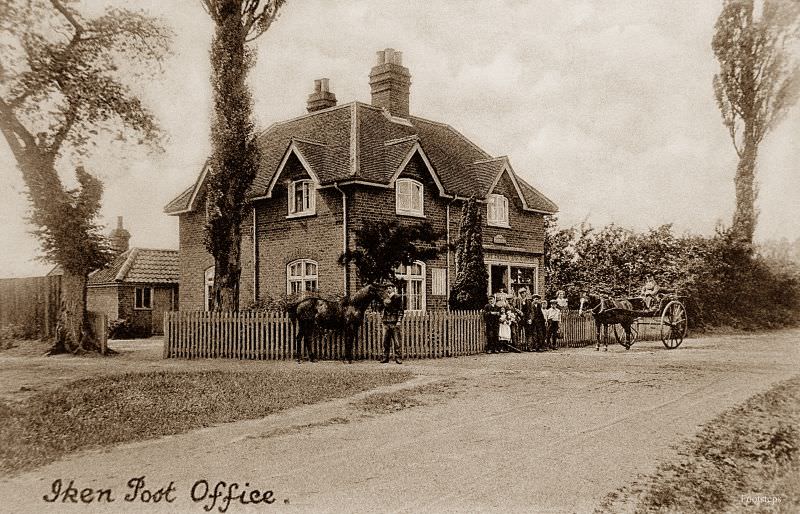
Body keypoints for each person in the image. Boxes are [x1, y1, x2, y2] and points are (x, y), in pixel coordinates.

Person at [380, 283, 404, 364]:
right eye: (387, 288)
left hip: (394, 322)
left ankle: (398, 357)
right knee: (385, 341)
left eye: (390, 288)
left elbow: (401, 310)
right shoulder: (384, 298)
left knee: (397, 341)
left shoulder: (398, 297)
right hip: (386, 322)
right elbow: (381, 309)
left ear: (393, 288)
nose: (388, 289)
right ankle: (385, 357)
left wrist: (399, 321)